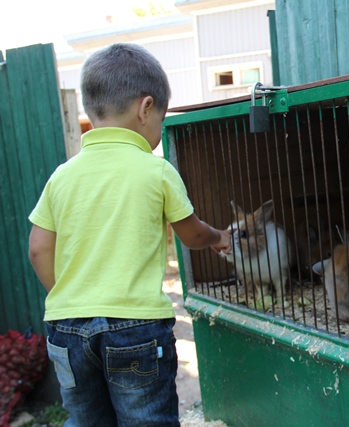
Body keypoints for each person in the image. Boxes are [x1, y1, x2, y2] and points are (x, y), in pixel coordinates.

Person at [27, 42, 231, 426]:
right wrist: (218, 235)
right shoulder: (156, 170)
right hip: (134, 329)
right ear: (146, 108)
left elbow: (39, 249)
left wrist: (69, 297)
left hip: (67, 328)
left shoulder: (62, 176)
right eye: (161, 118)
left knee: (86, 420)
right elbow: (191, 235)